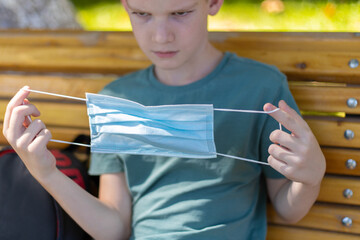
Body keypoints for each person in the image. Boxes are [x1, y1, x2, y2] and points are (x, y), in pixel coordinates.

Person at [3, 0, 326, 239]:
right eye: (142, 14)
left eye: (180, 13)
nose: (160, 36)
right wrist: (44, 171)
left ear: (212, 3)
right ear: (125, 6)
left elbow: (288, 207)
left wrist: (310, 177)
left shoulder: (261, 87)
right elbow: (113, 227)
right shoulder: (117, 99)